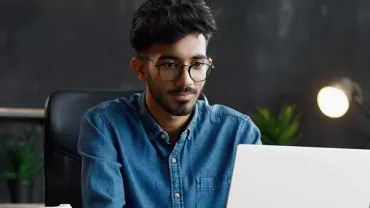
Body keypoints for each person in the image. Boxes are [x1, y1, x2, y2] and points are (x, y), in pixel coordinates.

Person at [77, 0, 262, 207]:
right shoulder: (105, 126)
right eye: (170, 65)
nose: (186, 81)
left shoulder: (239, 134)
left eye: (197, 64)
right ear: (140, 70)